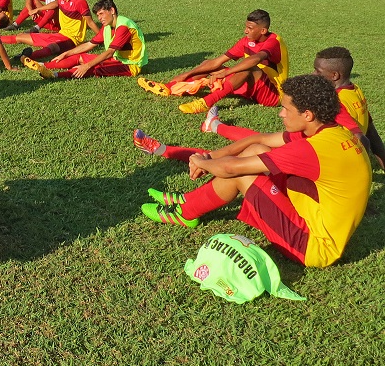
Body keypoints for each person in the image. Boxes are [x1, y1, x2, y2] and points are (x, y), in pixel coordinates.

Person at [137, 74, 372, 269]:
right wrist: (210, 158)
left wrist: (201, 162)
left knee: (243, 173)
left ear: (307, 115)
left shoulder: (311, 149)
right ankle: (189, 202)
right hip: (313, 215)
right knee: (256, 150)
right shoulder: (331, 132)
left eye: (285, 109)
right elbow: (259, 139)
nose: (281, 114)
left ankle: (186, 211)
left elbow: (230, 168)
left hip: (313, 246)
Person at [199, 46, 385, 170]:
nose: (313, 74)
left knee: (259, 146)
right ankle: (215, 127)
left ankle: (214, 128)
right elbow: (371, 131)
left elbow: (362, 139)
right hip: (322, 146)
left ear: (334, 75)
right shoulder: (355, 91)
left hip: (317, 155)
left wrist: (359, 174)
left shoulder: (333, 101)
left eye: (318, 71)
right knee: (264, 140)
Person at [137, 9, 288, 114]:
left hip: (273, 94)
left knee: (248, 68)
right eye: (246, 27)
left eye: (250, 28)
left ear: (263, 31)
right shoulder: (246, 41)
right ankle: (167, 88)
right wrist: (187, 74)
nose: (245, 31)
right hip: (252, 87)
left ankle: (205, 103)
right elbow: (217, 61)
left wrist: (226, 73)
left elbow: (255, 60)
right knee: (208, 64)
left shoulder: (273, 41)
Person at [21, 0, 145, 79]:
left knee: (94, 67)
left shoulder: (123, 26)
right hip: (116, 59)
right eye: (98, 15)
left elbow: (109, 52)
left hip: (130, 65)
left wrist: (86, 66)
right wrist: (66, 54)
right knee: (79, 57)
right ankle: (41, 65)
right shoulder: (107, 26)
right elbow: (90, 44)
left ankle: (55, 75)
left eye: (101, 14)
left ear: (112, 11)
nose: (100, 18)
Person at [2, 0, 98, 53]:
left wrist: (101, 37)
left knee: (52, 47)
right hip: (57, 32)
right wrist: (34, 10)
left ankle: (30, 54)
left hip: (68, 36)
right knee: (21, 36)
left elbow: (90, 22)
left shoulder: (78, 2)